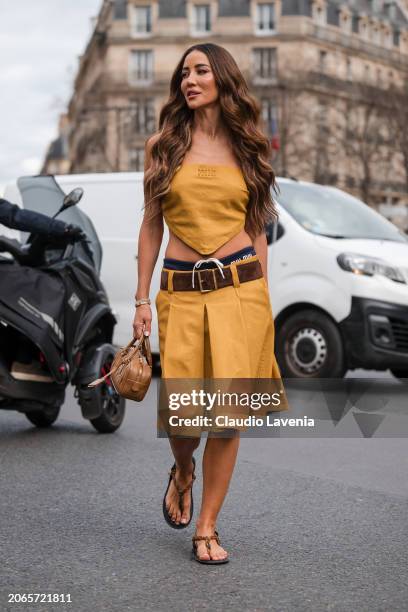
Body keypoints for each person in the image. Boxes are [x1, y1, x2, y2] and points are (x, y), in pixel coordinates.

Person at [133, 43, 287, 565]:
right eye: (184, 73)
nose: (189, 80)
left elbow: (257, 228)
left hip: (240, 291)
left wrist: (261, 294)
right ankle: (183, 470)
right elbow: (151, 225)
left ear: (223, 78)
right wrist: (141, 300)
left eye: (200, 71)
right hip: (179, 291)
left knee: (227, 415)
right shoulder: (164, 145)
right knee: (183, 417)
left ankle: (207, 528)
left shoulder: (251, 148)